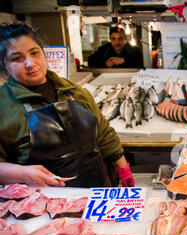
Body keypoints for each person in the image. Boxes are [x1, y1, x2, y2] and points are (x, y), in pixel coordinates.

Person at [0, 22, 135, 188]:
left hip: (96, 191)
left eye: (34, 53)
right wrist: (22, 173)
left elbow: (103, 132)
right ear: (4, 64)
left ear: (43, 53)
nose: (30, 63)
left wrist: (122, 168)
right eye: (17, 58)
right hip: (43, 202)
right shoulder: (3, 104)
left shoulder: (72, 90)